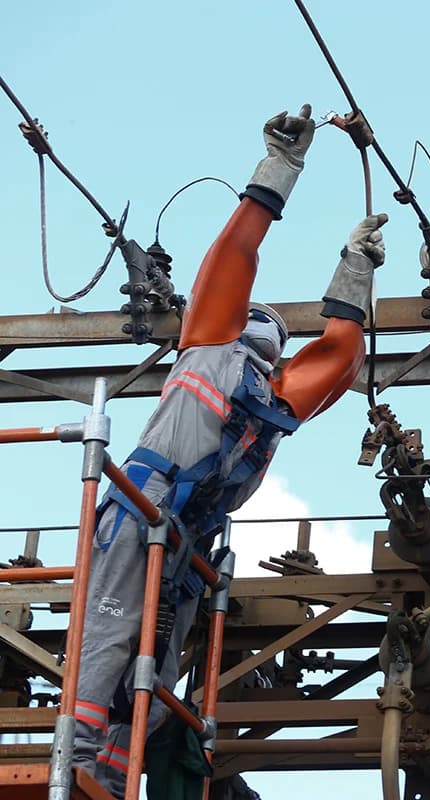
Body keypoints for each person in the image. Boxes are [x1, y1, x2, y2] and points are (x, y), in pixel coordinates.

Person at [71, 104, 387, 795]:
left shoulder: (240, 372)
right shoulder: (240, 370)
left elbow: (315, 334)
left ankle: (104, 774)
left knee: (141, 663)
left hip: (177, 536)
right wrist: (292, 184)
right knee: (119, 648)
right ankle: (81, 768)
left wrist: (322, 222)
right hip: (149, 517)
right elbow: (334, 348)